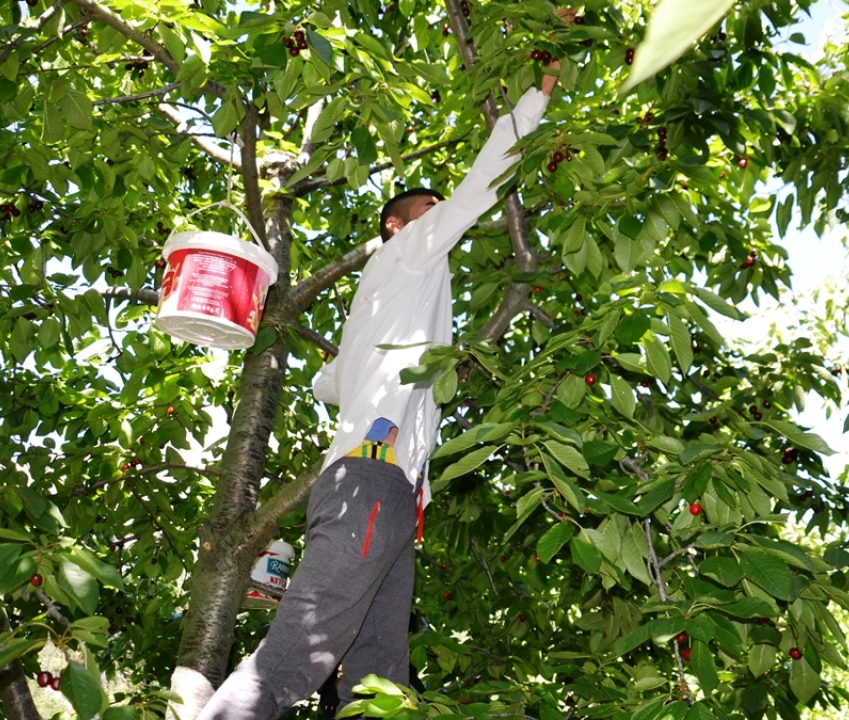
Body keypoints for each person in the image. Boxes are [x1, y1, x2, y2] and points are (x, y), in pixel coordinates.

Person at [194, 22, 568, 720]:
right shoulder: (411, 251)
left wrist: (368, 376)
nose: (442, 222)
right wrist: (538, 95)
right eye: (428, 212)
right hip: (371, 482)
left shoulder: (383, 305)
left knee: (378, 685)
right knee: (292, 663)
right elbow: (481, 186)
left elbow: (325, 384)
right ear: (398, 225)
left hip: (386, 494)